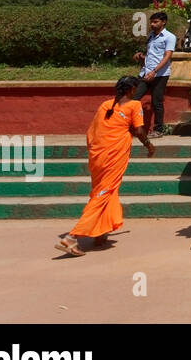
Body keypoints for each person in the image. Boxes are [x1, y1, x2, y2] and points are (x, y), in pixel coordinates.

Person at [55, 76, 154, 256]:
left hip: (97, 156)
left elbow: (91, 132)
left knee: (105, 191)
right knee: (103, 193)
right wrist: (149, 145)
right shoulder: (134, 105)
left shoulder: (105, 105)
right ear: (131, 89)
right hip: (113, 156)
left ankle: (100, 233)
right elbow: (139, 130)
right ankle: (72, 237)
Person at [131, 11, 176, 136]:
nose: (152, 24)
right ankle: (131, 126)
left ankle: (158, 129)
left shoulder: (169, 37)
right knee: (135, 98)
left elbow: (167, 56)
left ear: (163, 22)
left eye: (155, 22)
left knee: (156, 102)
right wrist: (141, 56)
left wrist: (154, 71)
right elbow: (152, 55)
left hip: (160, 74)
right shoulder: (151, 35)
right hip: (145, 72)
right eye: (151, 22)